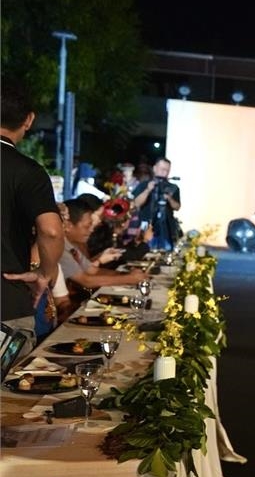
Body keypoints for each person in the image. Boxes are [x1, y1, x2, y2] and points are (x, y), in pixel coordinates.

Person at [1, 77, 64, 346]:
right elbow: (50, 230)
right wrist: (45, 275)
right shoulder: (28, 172)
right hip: (6, 303)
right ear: (29, 120)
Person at [59, 198, 148, 307]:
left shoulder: (70, 244)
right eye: (87, 226)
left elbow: (93, 270)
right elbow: (86, 280)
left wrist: (126, 275)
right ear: (68, 226)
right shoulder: (60, 247)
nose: (91, 229)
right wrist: (129, 279)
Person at [132, 157, 180, 251]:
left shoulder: (173, 187)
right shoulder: (144, 185)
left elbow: (177, 207)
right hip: (146, 227)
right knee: (144, 252)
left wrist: (170, 199)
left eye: (166, 170)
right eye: (161, 169)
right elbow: (136, 203)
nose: (164, 172)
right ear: (154, 168)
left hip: (166, 228)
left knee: (166, 252)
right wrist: (148, 190)